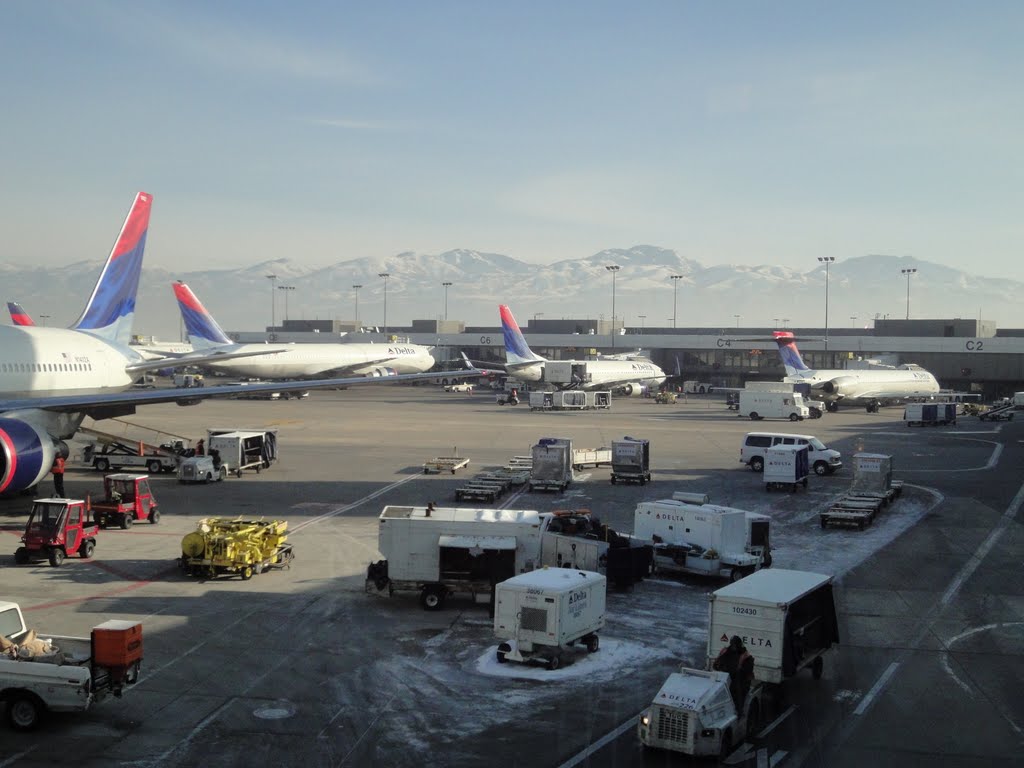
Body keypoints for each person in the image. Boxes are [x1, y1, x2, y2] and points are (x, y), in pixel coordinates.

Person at [713, 635, 755, 708]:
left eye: (735, 645)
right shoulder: (725, 651)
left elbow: (748, 670)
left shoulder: (745, 655)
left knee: (738, 692)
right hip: (725, 676)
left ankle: (739, 710)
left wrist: (740, 671)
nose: (734, 647)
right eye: (732, 645)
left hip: (740, 679)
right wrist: (719, 667)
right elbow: (717, 663)